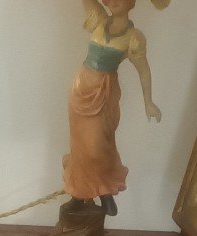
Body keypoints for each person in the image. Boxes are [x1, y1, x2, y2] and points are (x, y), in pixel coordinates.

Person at [63, 0, 163, 215]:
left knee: (98, 147)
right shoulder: (98, 19)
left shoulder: (134, 37)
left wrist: (148, 101)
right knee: (80, 147)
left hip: (105, 93)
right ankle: (79, 196)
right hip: (81, 88)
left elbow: (143, 70)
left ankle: (105, 192)